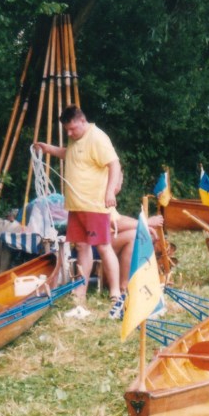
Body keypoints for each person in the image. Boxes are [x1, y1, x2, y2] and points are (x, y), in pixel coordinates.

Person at [33, 106, 121, 314]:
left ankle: (116, 292)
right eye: (67, 130)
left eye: (73, 129)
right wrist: (47, 148)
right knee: (81, 247)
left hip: (94, 205)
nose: (70, 133)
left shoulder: (97, 138)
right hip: (76, 205)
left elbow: (114, 164)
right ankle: (80, 292)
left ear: (83, 121)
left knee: (103, 247)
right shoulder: (75, 139)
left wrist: (110, 191)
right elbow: (69, 154)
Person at [107, 212, 166, 319]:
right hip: (95, 242)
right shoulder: (101, 201)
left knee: (138, 234)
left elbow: (117, 217)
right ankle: (125, 288)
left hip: (106, 238)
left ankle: (129, 285)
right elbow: (114, 222)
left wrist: (144, 225)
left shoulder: (107, 202)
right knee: (136, 235)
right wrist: (146, 223)